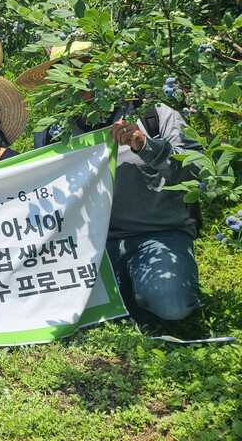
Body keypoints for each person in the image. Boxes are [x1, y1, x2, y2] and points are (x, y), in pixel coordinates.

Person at [17, 48, 202, 322]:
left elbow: (196, 172)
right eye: (67, 70)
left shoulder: (153, 114)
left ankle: (149, 288)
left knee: (172, 306)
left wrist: (146, 146)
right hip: (89, 242)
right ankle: (128, 289)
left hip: (157, 232)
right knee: (64, 311)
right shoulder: (52, 131)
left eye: (87, 66)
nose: (78, 77)